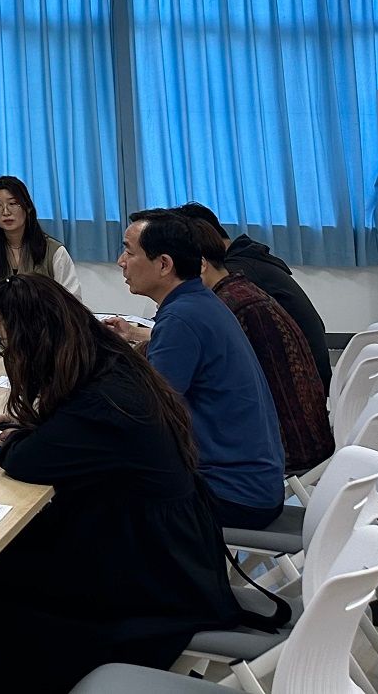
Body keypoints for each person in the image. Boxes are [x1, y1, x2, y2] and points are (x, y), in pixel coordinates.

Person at [0, 273, 238, 694]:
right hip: (165, 542)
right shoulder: (109, 363)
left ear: (34, 341)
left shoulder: (102, 401)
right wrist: (32, 425)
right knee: (12, 560)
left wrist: (20, 434)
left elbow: (24, 460)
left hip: (157, 574)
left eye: (8, 344)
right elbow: (63, 433)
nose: (8, 353)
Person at [109, 212, 285, 528]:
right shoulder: (198, 302)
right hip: (252, 482)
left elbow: (148, 416)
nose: (121, 261)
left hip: (232, 493)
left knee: (93, 493)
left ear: (164, 264)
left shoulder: (181, 319)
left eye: (129, 251)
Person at [187, 217, 333, 476]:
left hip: (284, 445)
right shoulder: (237, 288)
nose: (122, 262)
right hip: (304, 426)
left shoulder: (228, 302)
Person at [175, 201, 331, 386]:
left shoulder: (236, 275)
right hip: (305, 374)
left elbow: (203, 333)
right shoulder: (247, 258)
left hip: (299, 380)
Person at [0, 175, 81, 305]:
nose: (5, 212)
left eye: (13, 203)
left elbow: (72, 300)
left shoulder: (54, 250)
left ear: (28, 207)